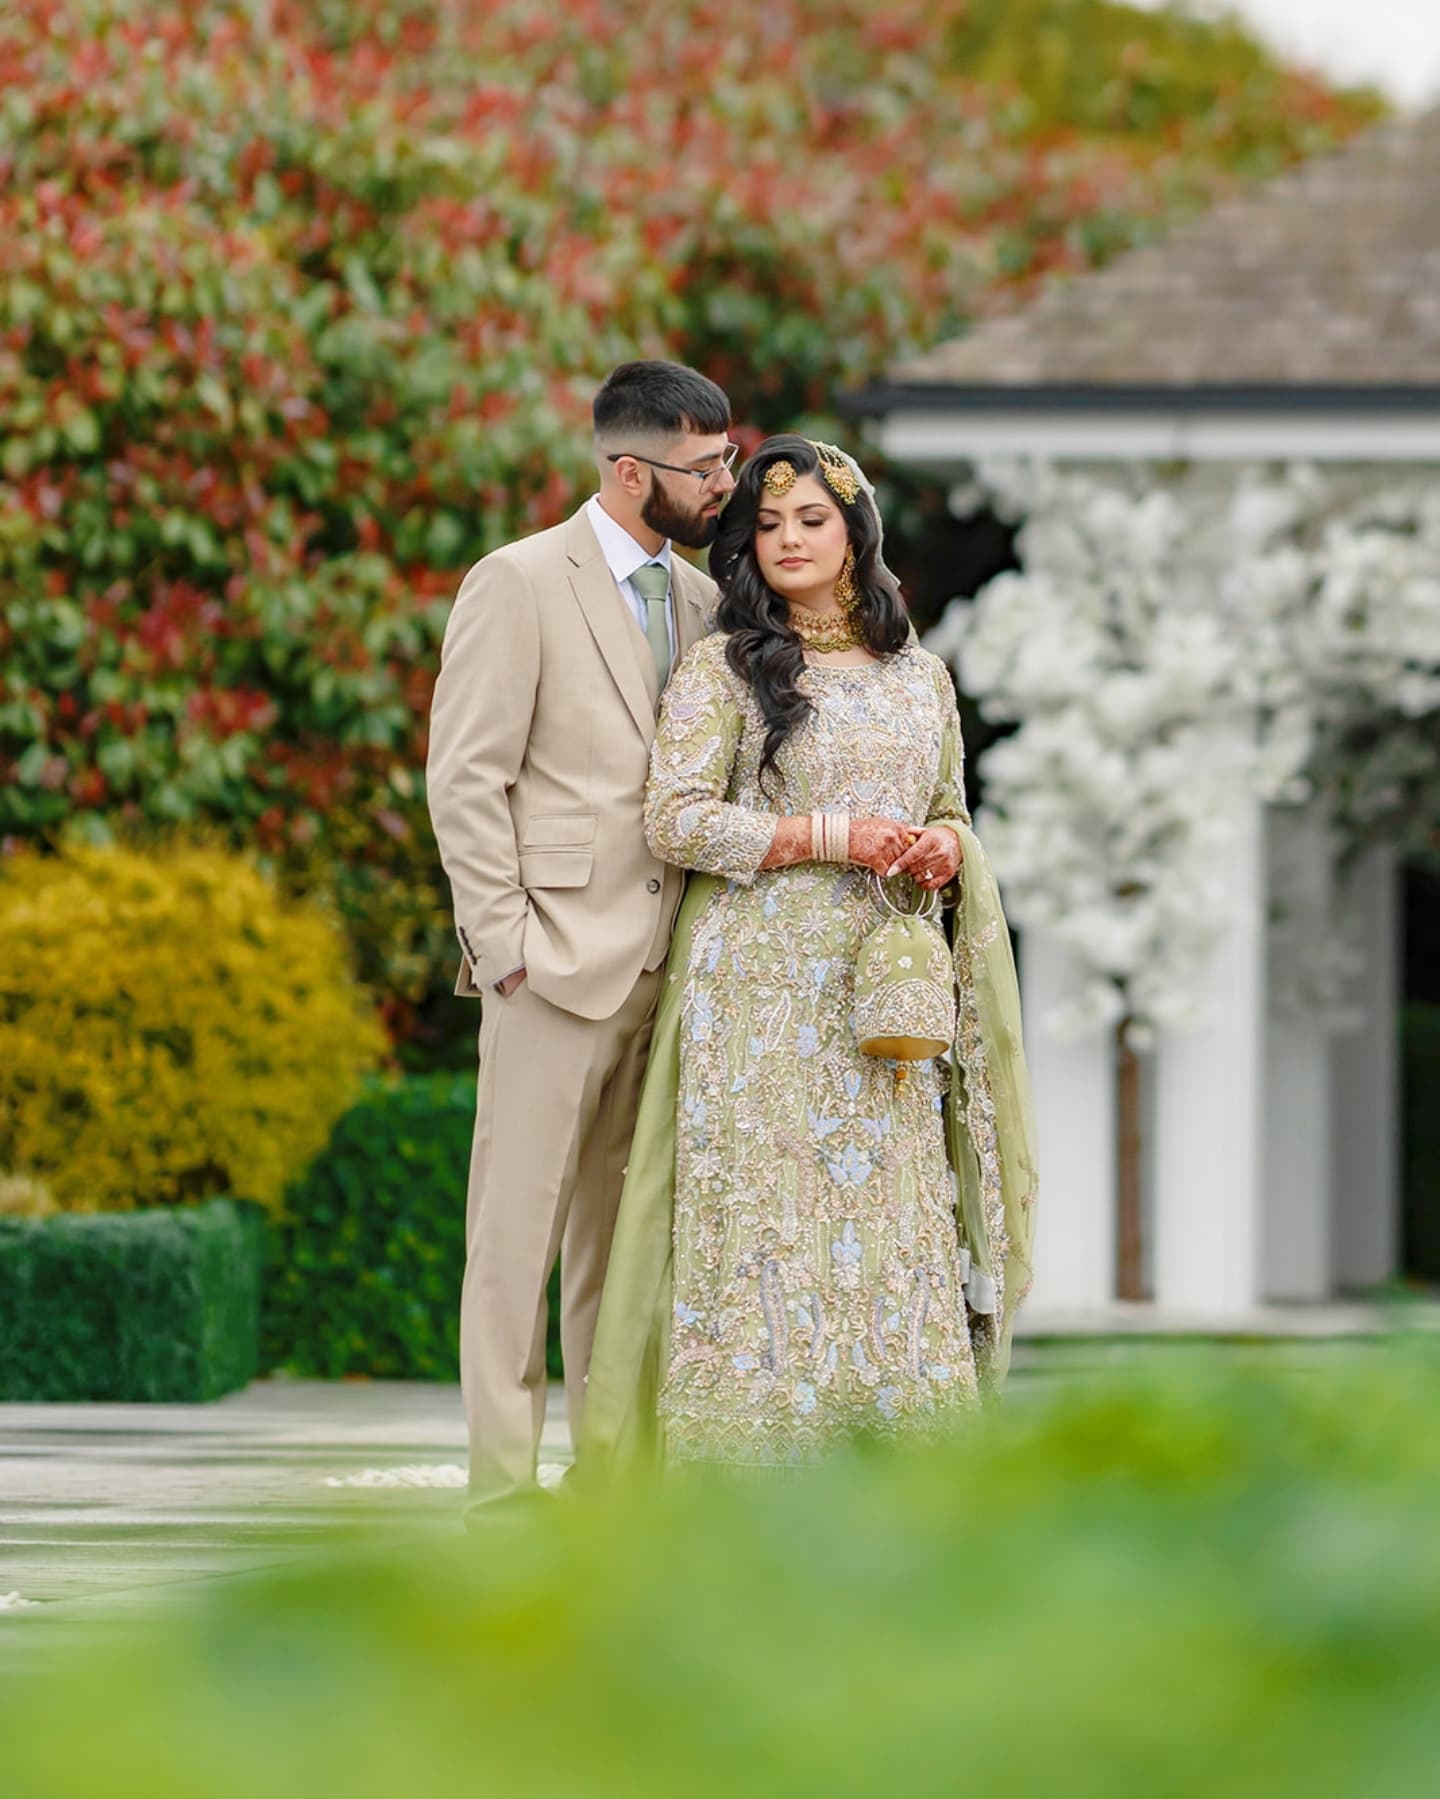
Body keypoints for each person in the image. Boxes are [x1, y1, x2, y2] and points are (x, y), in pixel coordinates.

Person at [581, 435, 1037, 1477]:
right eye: (768, 524)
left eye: (811, 521)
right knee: (767, 1221)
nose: (788, 539)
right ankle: (739, 1463)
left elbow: (953, 811)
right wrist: (823, 835)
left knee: (889, 1211)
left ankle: (898, 1459)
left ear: (853, 533)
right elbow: (676, 820)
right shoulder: (728, 666)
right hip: (761, 996)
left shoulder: (924, 676)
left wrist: (940, 848)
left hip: (886, 991)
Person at [426, 360, 738, 1508]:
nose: (723, 488)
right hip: (548, 963)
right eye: (704, 469)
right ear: (627, 469)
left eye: (726, 463)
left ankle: (612, 1490)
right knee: (515, 1245)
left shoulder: (708, 605)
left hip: (670, 972)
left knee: (626, 1245)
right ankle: (503, 1492)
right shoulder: (515, 582)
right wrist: (501, 944)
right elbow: (466, 777)